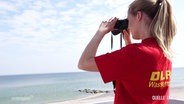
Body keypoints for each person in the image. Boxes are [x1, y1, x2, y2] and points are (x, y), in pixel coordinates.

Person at [78, 0, 176, 103]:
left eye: (128, 20)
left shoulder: (134, 54)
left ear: (139, 16)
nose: (128, 25)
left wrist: (100, 32)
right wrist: (129, 44)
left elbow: (84, 63)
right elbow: (143, 86)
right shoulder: (165, 52)